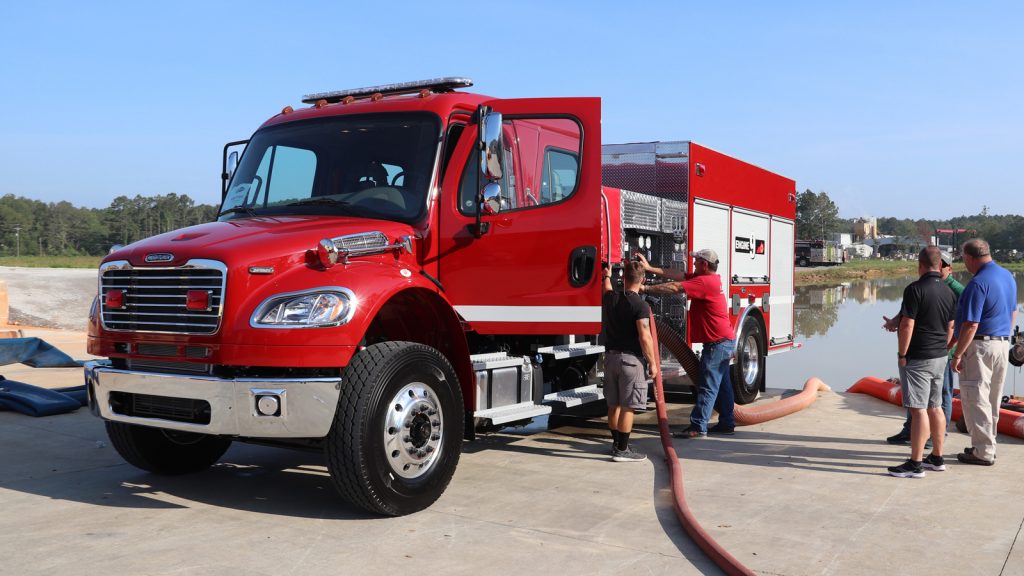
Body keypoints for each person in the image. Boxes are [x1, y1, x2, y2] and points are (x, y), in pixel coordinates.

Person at [637, 249, 735, 438]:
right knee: (722, 386)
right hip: (722, 342)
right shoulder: (707, 278)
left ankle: (698, 428)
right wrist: (650, 268)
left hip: (717, 344)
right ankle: (727, 423)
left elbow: (675, 287)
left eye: (697, 261)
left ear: (705, 264)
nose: (694, 263)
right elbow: (678, 275)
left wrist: (645, 289)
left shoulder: (704, 282)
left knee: (707, 386)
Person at [886, 246, 957, 478]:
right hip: (939, 357)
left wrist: (902, 354)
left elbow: (907, 325)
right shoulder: (948, 292)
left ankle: (915, 463)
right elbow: (951, 327)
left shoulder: (915, 289)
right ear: (940, 265)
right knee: (935, 407)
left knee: (918, 410)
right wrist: (944, 350)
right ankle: (937, 457)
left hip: (918, 358)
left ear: (920, 265)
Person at [950, 238, 1017, 466]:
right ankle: (989, 444)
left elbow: (970, 324)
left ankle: (982, 451)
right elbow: (1013, 311)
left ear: (969, 257)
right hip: (1001, 344)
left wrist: (957, 354)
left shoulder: (977, 283)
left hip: (979, 346)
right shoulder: (1007, 276)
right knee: (992, 398)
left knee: (975, 397)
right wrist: (1005, 336)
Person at [602, 261, 657, 462]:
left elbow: (607, 287)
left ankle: (616, 444)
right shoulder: (640, 306)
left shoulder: (611, 298)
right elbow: (645, 336)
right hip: (630, 362)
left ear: (623, 278)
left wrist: (606, 275)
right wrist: (652, 362)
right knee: (628, 407)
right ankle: (623, 450)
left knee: (613, 405)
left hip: (610, 359)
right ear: (642, 280)